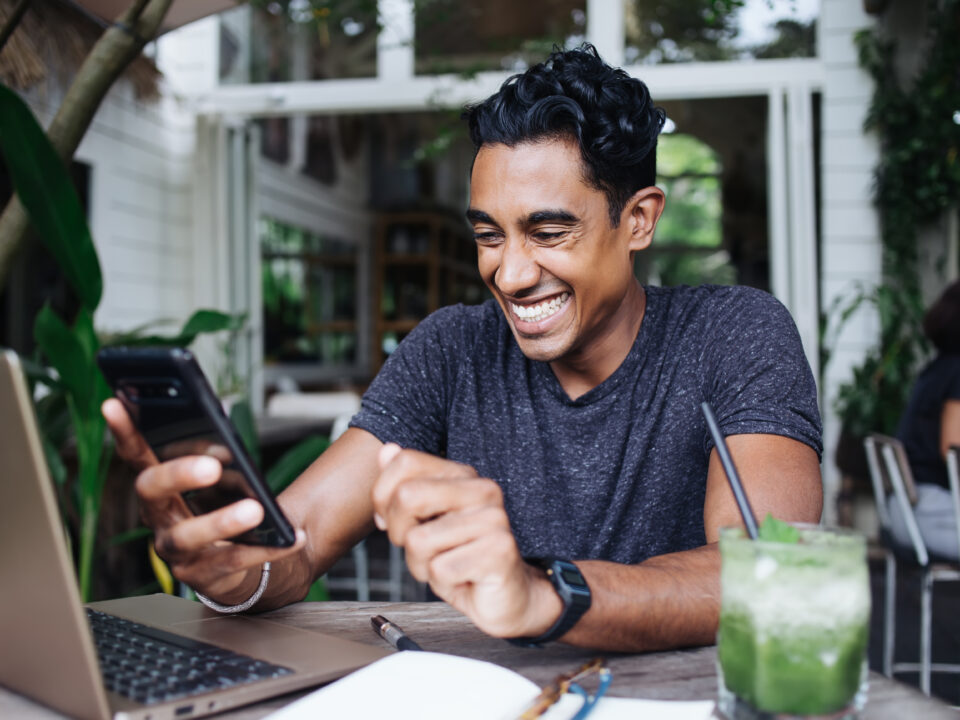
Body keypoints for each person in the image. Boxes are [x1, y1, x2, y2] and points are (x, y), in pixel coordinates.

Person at [103, 45, 823, 651]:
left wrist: (544, 596)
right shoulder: (453, 348)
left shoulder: (736, 333)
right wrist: (232, 565)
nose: (507, 274)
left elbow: (769, 573)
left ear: (638, 221)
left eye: (548, 233)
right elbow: (299, 543)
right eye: (487, 235)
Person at [889, 279, 960, 560]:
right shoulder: (957, 371)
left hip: (908, 510)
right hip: (931, 516)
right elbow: (953, 452)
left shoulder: (934, 370)